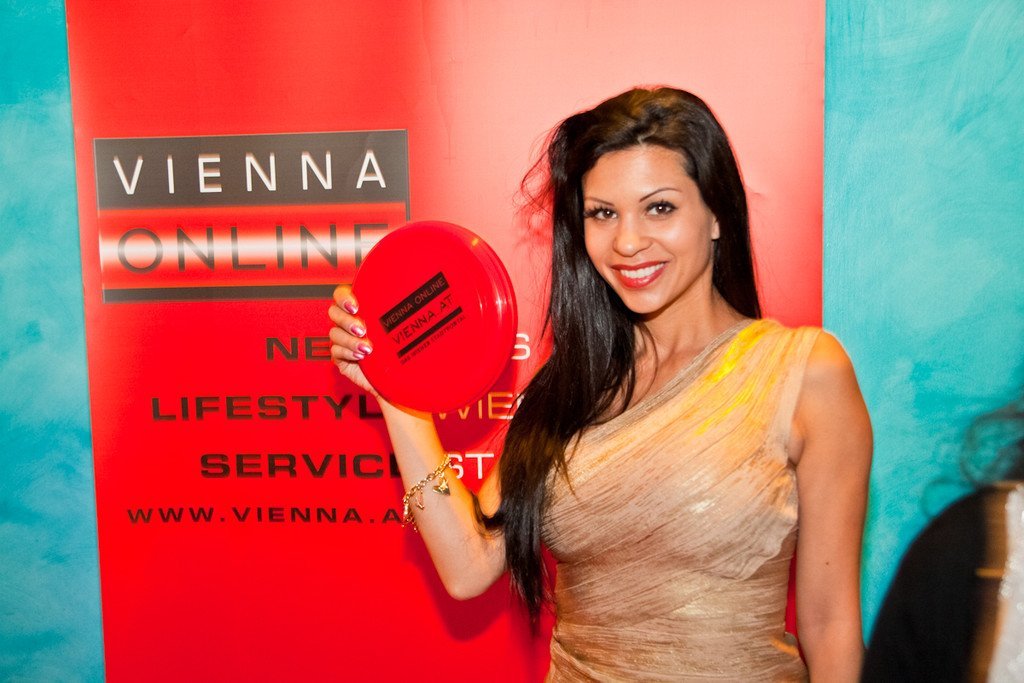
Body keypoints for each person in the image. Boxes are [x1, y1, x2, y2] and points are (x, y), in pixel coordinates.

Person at [329, 87, 872, 681]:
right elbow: (470, 566)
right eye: (602, 213)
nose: (628, 242)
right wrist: (396, 391)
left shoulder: (804, 373)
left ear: (716, 213)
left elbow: (830, 626)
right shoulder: (569, 387)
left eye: (659, 208)